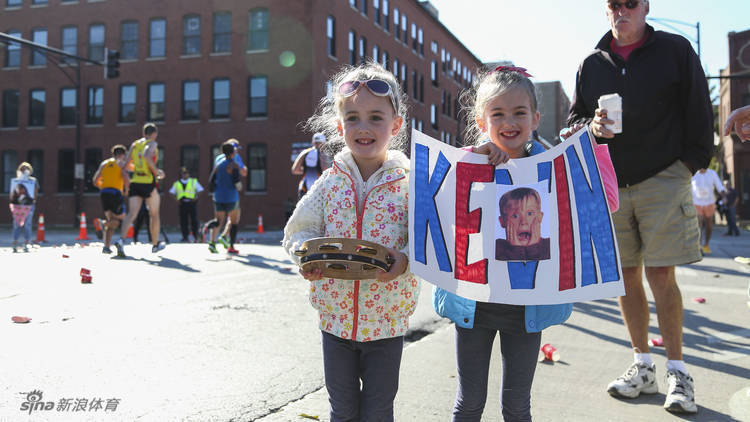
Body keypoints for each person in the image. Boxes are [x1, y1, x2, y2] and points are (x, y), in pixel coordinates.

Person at [434, 66, 616, 422]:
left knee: (517, 406)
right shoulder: (469, 162)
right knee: (469, 402)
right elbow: (435, 201)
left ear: (535, 119)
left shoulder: (553, 166)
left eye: (519, 112)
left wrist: (590, 152)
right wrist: (474, 159)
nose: (509, 122)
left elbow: (606, 202)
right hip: (474, 307)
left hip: (526, 310)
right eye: (498, 113)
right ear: (481, 120)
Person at [566, 0, 713, 414]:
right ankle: (643, 366)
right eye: (614, 4)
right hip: (611, 182)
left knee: (661, 274)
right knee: (626, 275)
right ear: (606, 10)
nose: (622, 10)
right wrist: (590, 127)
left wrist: (689, 165)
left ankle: (679, 372)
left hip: (663, 176)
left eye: (630, 3)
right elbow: (572, 122)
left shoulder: (675, 49)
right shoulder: (591, 64)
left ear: (646, 6)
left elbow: (699, 107)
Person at [282, 62, 418, 422]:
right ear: (340, 126)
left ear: (396, 125)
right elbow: (299, 230)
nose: (363, 127)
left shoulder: (409, 186)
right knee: (342, 410)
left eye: (376, 117)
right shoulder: (329, 182)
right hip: (335, 322)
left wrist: (405, 260)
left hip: (386, 323)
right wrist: (305, 257)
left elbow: (429, 241)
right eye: (353, 118)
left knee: (377, 411)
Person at [115, 122, 166, 256]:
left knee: (132, 214)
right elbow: (147, 156)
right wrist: (157, 171)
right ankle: (155, 244)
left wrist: (138, 168)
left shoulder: (135, 144)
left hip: (136, 181)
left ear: (143, 133)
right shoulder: (152, 143)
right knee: (154, 214)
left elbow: (126, 165)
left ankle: (121, 240)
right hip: (148, 182)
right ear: (154, 134)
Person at [92, 145, 130, 254]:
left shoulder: (104, 163)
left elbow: (95, 180)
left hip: (104, 193)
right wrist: (127, 190)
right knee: (121, 220)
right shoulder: (121, 163)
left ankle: (106, 247)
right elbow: (125, 176)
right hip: (116, 193)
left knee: (112, 221)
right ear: (123, 154)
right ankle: (102, 223)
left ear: (113, 154)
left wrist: (103, 187)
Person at [495, 187, 550, 261]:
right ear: (502, 221)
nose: (524, 222)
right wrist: (516, 249)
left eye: (530, 213)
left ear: (540, 217)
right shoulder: (498, 249)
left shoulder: (549, 246)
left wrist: (533, 248)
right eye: (515, 216)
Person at [207, 140, 242, 254]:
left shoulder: (218, 165)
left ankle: (207, 227)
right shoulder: (234, 165)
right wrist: (239, 187)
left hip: (218, 197)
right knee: (234, 221)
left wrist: (216, 191)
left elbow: (211, 181)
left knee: (218, 221)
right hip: (231, 197)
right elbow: (237, 182)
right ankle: (231, 246)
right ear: (233, 153)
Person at [691, 168, 725, 254]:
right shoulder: (693, 173)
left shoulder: (712, 173)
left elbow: (719, 186)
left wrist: (724, 197)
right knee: (698, 224)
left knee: (709, 226)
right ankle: (698, 246)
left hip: (709, 203)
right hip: (696, 203)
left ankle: (706, 244)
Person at [8, 162, 39, 253]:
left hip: (28, 206)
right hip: (17, 206)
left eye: (26, 169)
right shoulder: (16, 181)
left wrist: (33, 201)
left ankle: (27, 242)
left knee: (27, 224)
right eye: (22, 169)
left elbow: (35, 192)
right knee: (16, 224)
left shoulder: (33, 181)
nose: (24, 171)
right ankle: (15, 242)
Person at [169, 167, 203, 242]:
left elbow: (200, 190)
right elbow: (171, 192)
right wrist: (176, 200)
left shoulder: (193, 181)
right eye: (183, 173)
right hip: (182, 204)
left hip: (191, 203)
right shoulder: (177, 183)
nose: (185, 175)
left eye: (186, 173)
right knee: (183, 221)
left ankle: (196, 236)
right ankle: (185, 236)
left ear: (189, 174)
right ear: (181, 174)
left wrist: (196, 198)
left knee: (194, 220)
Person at [291, 132, 330, 200]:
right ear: (324, 143)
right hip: (319, 189)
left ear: (313, 142)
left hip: (304, 188)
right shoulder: (324, 154)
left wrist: (307, 170)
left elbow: (295, 170)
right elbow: (325, 170)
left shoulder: (305, 152)